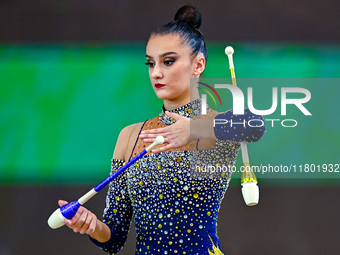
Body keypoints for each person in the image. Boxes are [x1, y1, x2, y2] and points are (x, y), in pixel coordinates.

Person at [58, 5, 265, 254]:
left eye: (168, 61)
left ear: (198, 65)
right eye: (150, 63)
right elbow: (114, 238)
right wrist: (91, 225)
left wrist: (195, 129)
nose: (156, 73)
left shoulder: (215, 127)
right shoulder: (130, 136)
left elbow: (255, 126)